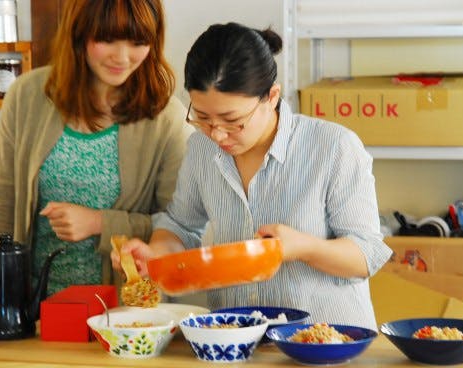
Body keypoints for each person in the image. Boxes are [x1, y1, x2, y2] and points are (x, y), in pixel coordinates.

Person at [112, 22, 392, 330]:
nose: (217, 134)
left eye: (233, 120)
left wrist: (303, 248)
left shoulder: (333, 147)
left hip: (326, 342)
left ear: (271, 97)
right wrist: (156, 256)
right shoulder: (201, 149)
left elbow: (366, 255)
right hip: (237, 341)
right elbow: (180, 225)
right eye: (202, 118)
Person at [0, 0, 192, 296]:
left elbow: (180, 226)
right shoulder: (26, 96)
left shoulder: (166, 117)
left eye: (138, 42)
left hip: (123, 317)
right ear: (78, 33)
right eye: (107, 39)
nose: (122, 57)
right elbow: (1, 207)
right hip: (34, 314)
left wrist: (99, 223)